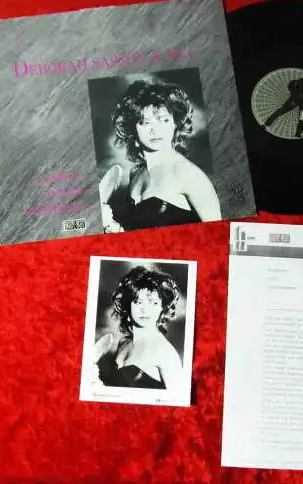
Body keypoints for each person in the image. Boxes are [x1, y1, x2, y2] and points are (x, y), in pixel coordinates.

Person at [100, 79, 222, 232]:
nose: (155, 130)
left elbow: (219, 236)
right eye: (145, 122)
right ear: (133, 128)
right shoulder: (136, 172)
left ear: (176, 123)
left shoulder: (188, 174)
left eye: (164, 120)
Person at [92, 266, 183, 390]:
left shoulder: (167, 354)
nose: (145, 310)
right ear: (127, 305)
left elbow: (177, 400)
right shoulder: (123, 342)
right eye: (138, 302)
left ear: (163, 308)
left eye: (153, 303)